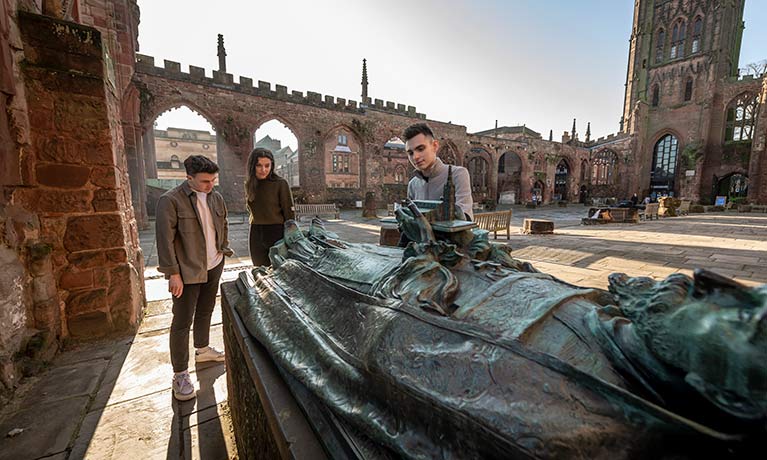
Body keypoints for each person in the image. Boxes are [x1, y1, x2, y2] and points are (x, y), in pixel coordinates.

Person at [156, 155, 233, 401]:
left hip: (214, 265)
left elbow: (223, 225)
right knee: (181, 321)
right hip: (187, 271)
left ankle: (202, 349)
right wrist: (173, 274)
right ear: (188, 178)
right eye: (204, 181)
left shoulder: (216, 197)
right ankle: (180, 373)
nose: (210, 185)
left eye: (213, 180)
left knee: (206, 310)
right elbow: (164, 240)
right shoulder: (170, 201)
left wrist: (223, 248)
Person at [398, 123, 474, 247]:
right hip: (421, 248)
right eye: (410, 153)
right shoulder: (413, 184)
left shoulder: (458, 174)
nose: (415, 157)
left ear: (434, 146)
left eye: (420, 149)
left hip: (451, 248)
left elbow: (464, 217)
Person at [245, 147, 295, 266]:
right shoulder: (250, 184)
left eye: (267, 166)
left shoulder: (280, 183)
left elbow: (289, 213)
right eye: (259, 165)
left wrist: (290, 236)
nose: (263, 170)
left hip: (276, 232)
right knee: (259, 270)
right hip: (256, 232)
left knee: (278, 271)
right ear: (252, 166)